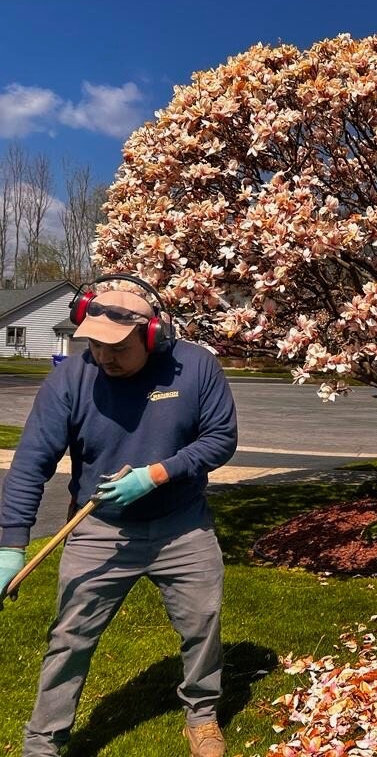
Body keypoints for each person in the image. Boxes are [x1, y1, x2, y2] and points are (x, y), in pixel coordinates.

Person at [0, 276, 238, 757]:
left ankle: (202, 714)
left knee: (202, 624)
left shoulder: (195, 367)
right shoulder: (71, 378)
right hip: (100, 530)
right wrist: (9, 544)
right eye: (94, 345)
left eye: (117, 348)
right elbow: (31, 463)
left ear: (152, 336)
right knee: (70, 637)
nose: (103, 358)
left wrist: (158, 473)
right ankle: (44, 741)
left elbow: (220, 439)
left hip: (182, 526)